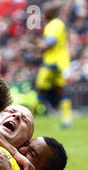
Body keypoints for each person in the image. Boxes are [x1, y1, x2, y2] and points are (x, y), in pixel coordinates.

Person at [34, 0, 72, 128]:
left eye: (45, 11)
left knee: (40, 88)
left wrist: (33, 47)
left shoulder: (54, 25)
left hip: (51, 64)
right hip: (60, 63)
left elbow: (50, 43)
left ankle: (30, 116)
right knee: (60, 91)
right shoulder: (58, 24)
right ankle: (67, 120)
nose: (43, 14)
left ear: (51, 12)